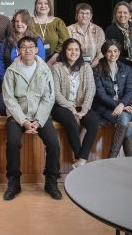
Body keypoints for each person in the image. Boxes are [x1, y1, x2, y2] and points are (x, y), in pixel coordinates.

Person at [2, 36, 61, 200]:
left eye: (31, 47)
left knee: (54, 144)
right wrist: (24, 121)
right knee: (12, 143)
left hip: (39, 114)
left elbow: (49, 97)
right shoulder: (11, 70)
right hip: (18, 114)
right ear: (18, 50)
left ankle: (51, 181)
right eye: (23, 47)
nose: (27, 50)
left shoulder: (45, 69)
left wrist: (38, 120)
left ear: (36, 50)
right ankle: (14, 182)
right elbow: (9, 99)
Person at [50, 38, 100, 169]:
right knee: (71, 121)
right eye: (70, 49)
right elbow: (55, 92)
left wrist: (84, 109)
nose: (73, 52)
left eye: (76, 49)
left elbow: (91, 89)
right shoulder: (57, 67)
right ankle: (79, 157)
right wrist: (70, 107)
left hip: (81, 105)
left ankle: (81, 160)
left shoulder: (86, 67)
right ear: (65, 51)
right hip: (61, 106)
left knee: (94, 123)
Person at [92, 40, 132, 158]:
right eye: (109, 51)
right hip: (105, 108)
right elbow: (101, 95)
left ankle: (111, 159)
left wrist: (122, 104)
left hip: (126, 106)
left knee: (123, 117)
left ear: (119, 52)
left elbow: (130, 90)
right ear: (104, 53)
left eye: (116, 51)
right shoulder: (97, 70)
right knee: (125, 123)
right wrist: (118, 105)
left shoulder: (126, 69)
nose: (113, 54)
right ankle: (130, 160)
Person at [0, 9, 45, 114]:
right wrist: (3, 77)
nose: (19, 24)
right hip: (10, 82)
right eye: (17, 21)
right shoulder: (8, 40)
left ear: (28, 23)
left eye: (22, 21)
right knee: (1, 108)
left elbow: (41, 63)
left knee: (28, 107)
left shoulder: (36, 40)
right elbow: (1, 59)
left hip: (30, 83)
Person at [31, 0, 69, 67]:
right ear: (35, 6)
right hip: (33, 63)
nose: (43, 5)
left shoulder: (58, 22)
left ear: (49, 6)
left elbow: (65, 43)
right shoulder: (29, 22)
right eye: (39, 3)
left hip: (55, 63)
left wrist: (50, 62)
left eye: (46, 3)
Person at [104, 1, 132, 67]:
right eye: (119, 12)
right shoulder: (110, 30)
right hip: (119, 65)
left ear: (130, 14)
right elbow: (111, 52)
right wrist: (131, 63)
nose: (122, 15)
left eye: (125, 12)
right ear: (115, 14)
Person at [67, 3, 106, 67]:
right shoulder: (68, 30)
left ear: (91, 16)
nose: (84, 16)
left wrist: (92, 66)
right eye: (81, 13)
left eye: (87, 13)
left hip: (95, 67)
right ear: (76, 15)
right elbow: (67, 51)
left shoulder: (98, 30)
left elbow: (101, 52)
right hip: (73, 66)